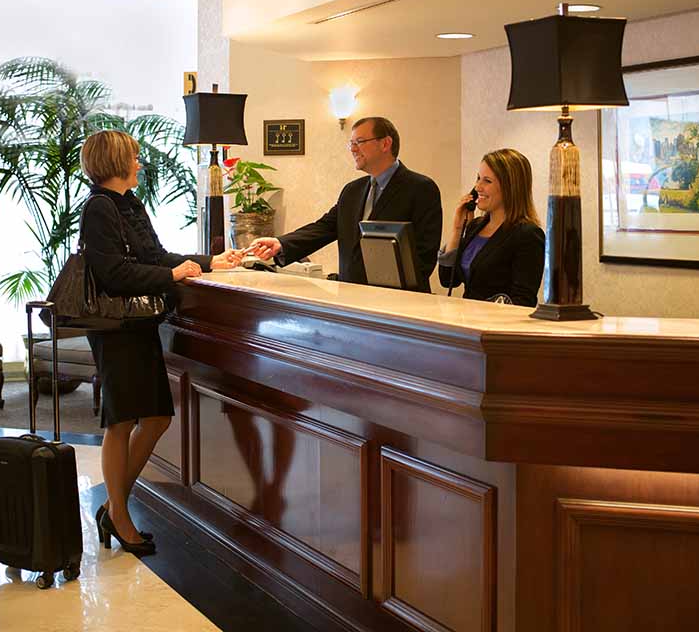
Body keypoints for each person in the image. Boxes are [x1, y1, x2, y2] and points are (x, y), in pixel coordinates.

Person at [79, 130, 238, 556]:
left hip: (139, 326)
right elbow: (113, 273)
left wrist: (207, 263)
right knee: (121, 420)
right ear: (115, 161)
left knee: (155, 418)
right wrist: (172, 275)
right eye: (133, 156)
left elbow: (155, 256)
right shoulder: (98, 207)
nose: (139, 162)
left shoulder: (130, 204)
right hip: (114, 329)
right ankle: (120, 515)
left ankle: (114, 508)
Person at [245, 117, 442, 289]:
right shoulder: (352, 190)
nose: (353, 149)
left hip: (398, 305)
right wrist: (281, 243)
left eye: (360, 142)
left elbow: (425, 254)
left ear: (385, 143)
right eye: (351, 144)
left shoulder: (421, 188)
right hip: (351, 298)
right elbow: (324, 228)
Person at [439, 148, 545, 307]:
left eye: (487, 181)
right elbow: (447, 279)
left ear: (510, 187)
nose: (477, 187)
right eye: (478, 178)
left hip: (496, 327)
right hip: (468, 323)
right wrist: (457, 230)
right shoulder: (475, 226)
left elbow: (523, 301)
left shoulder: (528, 235)